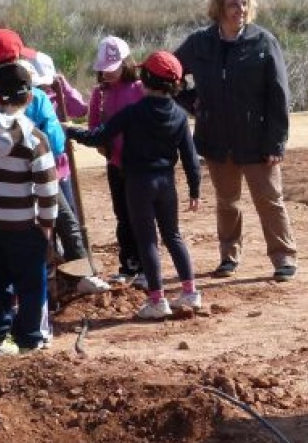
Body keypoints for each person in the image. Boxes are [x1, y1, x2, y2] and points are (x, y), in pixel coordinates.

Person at [175, 0, 299, 283]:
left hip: (257, 142)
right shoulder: (200, 43)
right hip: (216, 141)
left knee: (269, 200)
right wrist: (192, 102)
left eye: (244, 3)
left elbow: (279, 94)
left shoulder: (263, 42)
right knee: (227, 201)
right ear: (219, 7)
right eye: (233, 4)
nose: (239, 10)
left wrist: (276, 142)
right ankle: (229, 256)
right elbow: (170, 73)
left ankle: (284, 258)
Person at [68, 51, 204, 320]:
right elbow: (190, 156)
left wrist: (70, 129)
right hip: (166, 182)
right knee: (173, 235)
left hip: (138, 182)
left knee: (147, 240)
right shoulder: (178, 115)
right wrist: (194, 190)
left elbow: (98, 137)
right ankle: (190, 291)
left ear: (146, 78)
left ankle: (157, 300)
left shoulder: (133, 113)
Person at [0, 27, 71, 324]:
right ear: (19, 57)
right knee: (38, 259)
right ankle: (42, 314)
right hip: (35, 193)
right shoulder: (36, 99)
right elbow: (57, 144)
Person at [0, 62, 59, 355]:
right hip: (24, 224)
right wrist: (47, 224)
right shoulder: (34, 138)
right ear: (30, 98)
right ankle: (30, 337)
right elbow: (47, 187)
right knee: (32, 283)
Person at [23, 45, 110, 296]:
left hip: (59, 172)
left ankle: (78, 272)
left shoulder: (53, 94)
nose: (42, 89)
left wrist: (64, 87)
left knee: (69, 219)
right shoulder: (28, 103)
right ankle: (53, 273)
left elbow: (79, 110)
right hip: (36, 174)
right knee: (46, 227)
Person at [88, 35, 147, 288]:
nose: (108, 74)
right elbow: (92, 126)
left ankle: (147, 266)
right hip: (115, 162)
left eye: (112, 69)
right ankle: (128, 264)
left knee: (141, 216)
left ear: (126, 63)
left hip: (140, 163)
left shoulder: (140, 89)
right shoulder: (99, 94)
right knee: (122, 215)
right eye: (104, 70)